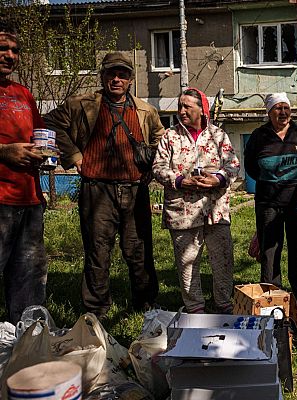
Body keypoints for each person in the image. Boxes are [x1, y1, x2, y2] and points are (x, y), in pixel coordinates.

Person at [44, 52, 164, 319]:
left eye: (122, 75)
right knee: (98, 250)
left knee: (139, 250)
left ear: (131, 80)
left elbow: (161, 141)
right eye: (112, 73)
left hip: (135, 189)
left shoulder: (146, 110)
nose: (117, 79)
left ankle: (145, 306)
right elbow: (50, 122)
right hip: (97, 189)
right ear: (103, 76)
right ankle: (96, 310)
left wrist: (152, 167)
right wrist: (74, 156)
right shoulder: (82, 104)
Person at [152, 88, 240, 314]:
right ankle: (195, 308)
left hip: (215, 209)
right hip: (183, 211)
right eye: (180, 106)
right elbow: (158, 168)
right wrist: (180, 181)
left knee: (223, 260)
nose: (181, 111)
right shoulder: (170, 136)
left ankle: (223, 304)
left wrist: (217, 179)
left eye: (187, 106)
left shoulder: (218, 135)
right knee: (187, 262)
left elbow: (233, 165)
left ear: (201, 110)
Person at [0, 20, 48, 325]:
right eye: (2, 48)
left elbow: (40, 135)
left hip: (29, 201)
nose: (9, 55)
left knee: (29, 280)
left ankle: (26, 344)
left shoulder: (23, 94)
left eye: (15, 50)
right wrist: (4, 152)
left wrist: (44, 152)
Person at [244, 93, 297, 307]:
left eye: (286, 108)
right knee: (270, 249)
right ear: (269, 112)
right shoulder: (259, 136)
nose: (282, 112)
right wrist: (270, 181)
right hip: (268, 202)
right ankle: (272, 291)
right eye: (277, 108)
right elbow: (251, 166)